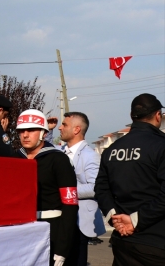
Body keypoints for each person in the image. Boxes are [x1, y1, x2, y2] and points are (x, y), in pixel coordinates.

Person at [94, 93, 165, 265]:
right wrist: (134, 221)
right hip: (156, 241)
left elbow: (101, 189)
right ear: (158, 115)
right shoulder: (161, 145)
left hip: (123, 241)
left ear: (132, 116)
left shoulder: (112, 149)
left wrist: (115, 217)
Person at [17, 109, 78, 266]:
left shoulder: (59, 160)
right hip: (21, 231)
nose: (25, 135)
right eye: (21, 131)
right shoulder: (14, 159)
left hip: (52, 230)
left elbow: (70, 205)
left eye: (31, 130)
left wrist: (63, 247)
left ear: (44, 133)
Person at [58, 112, 106, 266]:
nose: (60, 127)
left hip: (79, 224)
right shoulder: (59, 152)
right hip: (60, 221)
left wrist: (65, 193)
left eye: (64, 125)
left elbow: (95, 187)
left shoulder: (90, 155)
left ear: (76, 129)